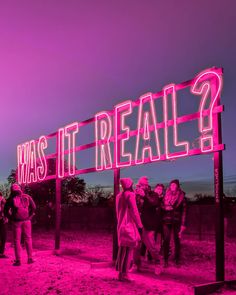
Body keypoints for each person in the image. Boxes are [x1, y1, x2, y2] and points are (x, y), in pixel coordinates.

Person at [116, 178, 143, 281]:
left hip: (121, 225)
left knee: (122, 249)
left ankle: (120, 273)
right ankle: (125, 274)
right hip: (128, 225)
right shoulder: (130, 195)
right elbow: (134, 211)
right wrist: (140, 225)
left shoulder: (119, 196)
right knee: (128, 250)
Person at [4, 183, 36, 266]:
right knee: (28, 239)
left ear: (12, 190)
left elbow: (5, 211)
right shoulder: (27, 196)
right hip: (27, 221)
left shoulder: (11, 199)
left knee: (17, 241)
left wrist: (11, 218)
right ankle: (30, 258)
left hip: (16, 221)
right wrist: (30, 216)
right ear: (19, 189)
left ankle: (18, 260)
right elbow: (34, 207)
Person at [134, 177, 161, 273]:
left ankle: (158, 263)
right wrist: (135, 195)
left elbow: (154, 203)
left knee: (151, 247)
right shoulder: (137, 195)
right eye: (140, 185)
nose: (141, 187)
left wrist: (144, 196)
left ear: (146, 186)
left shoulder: (153, 194)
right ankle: (136, 264)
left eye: (143, 185)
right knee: (136, 245)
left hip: (149, 225)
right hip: (138, 225)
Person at [162, 179, 187, 267]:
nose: (172, 186)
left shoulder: (181, 196)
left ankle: (177, 260)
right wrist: (165, 208)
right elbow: (162, 205)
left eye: (174, 185)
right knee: (166, 240)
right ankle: (165, 260)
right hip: (166, 220)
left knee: (177, 241)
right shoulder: (165, 195)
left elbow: (184, 211)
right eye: (171, 185)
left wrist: (183, 224)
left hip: (177, 221)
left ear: (177, 186)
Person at [0, 191, 8, 258]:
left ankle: (1, 252)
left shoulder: (2, 199)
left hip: (2, 219)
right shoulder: (2, 199)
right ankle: (1, 253)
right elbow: (4, 209)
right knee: (3, 236)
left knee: (3, 236)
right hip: (2, 220)